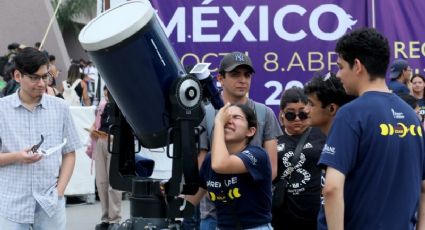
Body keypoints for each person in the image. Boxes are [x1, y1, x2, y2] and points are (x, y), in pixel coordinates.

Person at [318, 28, 425, 229]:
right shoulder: (412, 116)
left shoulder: (350, 114)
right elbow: (424, 187)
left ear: (357, 66)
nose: (339, 75)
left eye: (340, 67)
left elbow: (331, 188)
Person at [199, 51, 282, 229]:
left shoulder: (264, 113)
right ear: (220, 78)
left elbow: (272, 169)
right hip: (213, 213)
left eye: (247, 75)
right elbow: (202, 167)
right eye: (235, 74)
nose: (242, 80)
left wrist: (244, 197)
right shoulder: (205, 114)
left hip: (252, 216)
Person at [0, 47, 81, 229]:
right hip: (11, 205)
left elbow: (69, 153)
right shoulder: (1, 110)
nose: (42, 83)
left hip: (50, 204)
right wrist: (17, 157)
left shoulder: (60, 107)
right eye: (34, 78)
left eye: (45, 76)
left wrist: (59, 192)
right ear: (17, 76)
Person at [186, 103, 272, 230]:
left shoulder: (257, 155)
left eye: (236, 117)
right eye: (226, 117)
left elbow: (221, 165)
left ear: (250, 131)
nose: (228, 121)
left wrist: (219, 124)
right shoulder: (210, 159)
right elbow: (190, 201)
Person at [271, 87, 326, 229]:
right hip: (282, 214)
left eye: (302, 114)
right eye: (290, 115)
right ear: (282, 114)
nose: (297, 119)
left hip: (315, 213)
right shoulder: (273, 137)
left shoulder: (322, 134)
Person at [89, 86, 123, 230]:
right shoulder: (104, 104)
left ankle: (114, 219)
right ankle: (106, 218)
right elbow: (98, 122)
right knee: (101, 181)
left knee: (113, 183)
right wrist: (93, 130)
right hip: (101, 139)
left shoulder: (123, 102)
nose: (105, 93)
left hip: (115, 140)